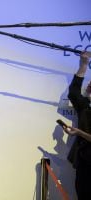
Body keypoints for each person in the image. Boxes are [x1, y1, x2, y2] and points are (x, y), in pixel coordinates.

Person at [65, 51, 91, 200]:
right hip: (83, 160)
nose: (88, 86)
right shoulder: (85, 105)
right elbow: (74, 92)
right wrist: (83, 65)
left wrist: (79, 133)